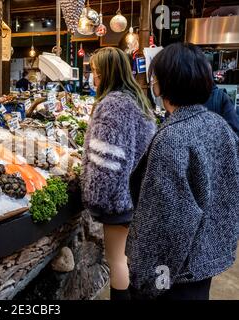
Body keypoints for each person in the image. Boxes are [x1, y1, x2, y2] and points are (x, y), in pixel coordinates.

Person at [127, 42, 239, 300]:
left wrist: (151, 281)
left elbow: (167, 225)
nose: (152, 82)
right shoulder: (219, 126)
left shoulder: (173, 138)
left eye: (155, 76)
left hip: (175, 273)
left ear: (165, 83)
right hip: (205, 260)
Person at [81, 47, 156, 300]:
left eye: (95, 72)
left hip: (120, 200)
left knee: (117, 261)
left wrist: (94, 199)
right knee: (127, 260)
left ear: (106, 74)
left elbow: (106, 161)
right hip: (138, 195)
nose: (93, 78)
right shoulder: (137, 100)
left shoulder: (112, 105)